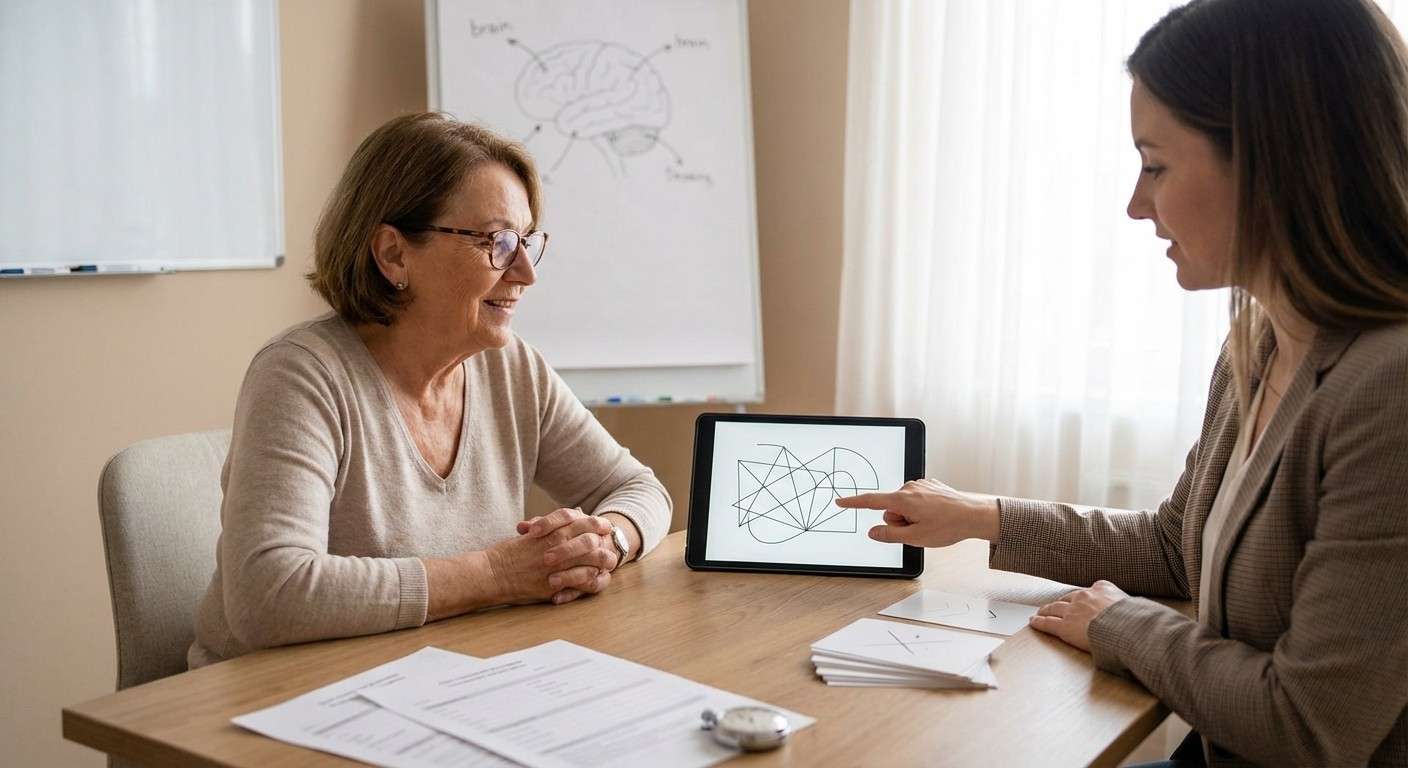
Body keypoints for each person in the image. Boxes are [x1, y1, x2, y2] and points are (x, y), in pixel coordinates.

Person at [837, 0, 1408, 765]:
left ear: (1275, 158)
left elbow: (1308, 726)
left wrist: (1124, 625)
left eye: (1156, 164)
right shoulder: (1262, 340)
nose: (1137, 205)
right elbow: (1176, 549)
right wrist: (978, 514)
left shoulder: (1389, 390)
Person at [189, 113, 671, 667]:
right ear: (394, 254)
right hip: (267, 706)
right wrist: (495, 574)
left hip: (443, 680)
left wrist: (606, 541)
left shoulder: (512, 368)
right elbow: (268, 596)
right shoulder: (301, 375)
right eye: (497, 242)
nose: (524, 273)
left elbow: (640, 488)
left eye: (526, 241)